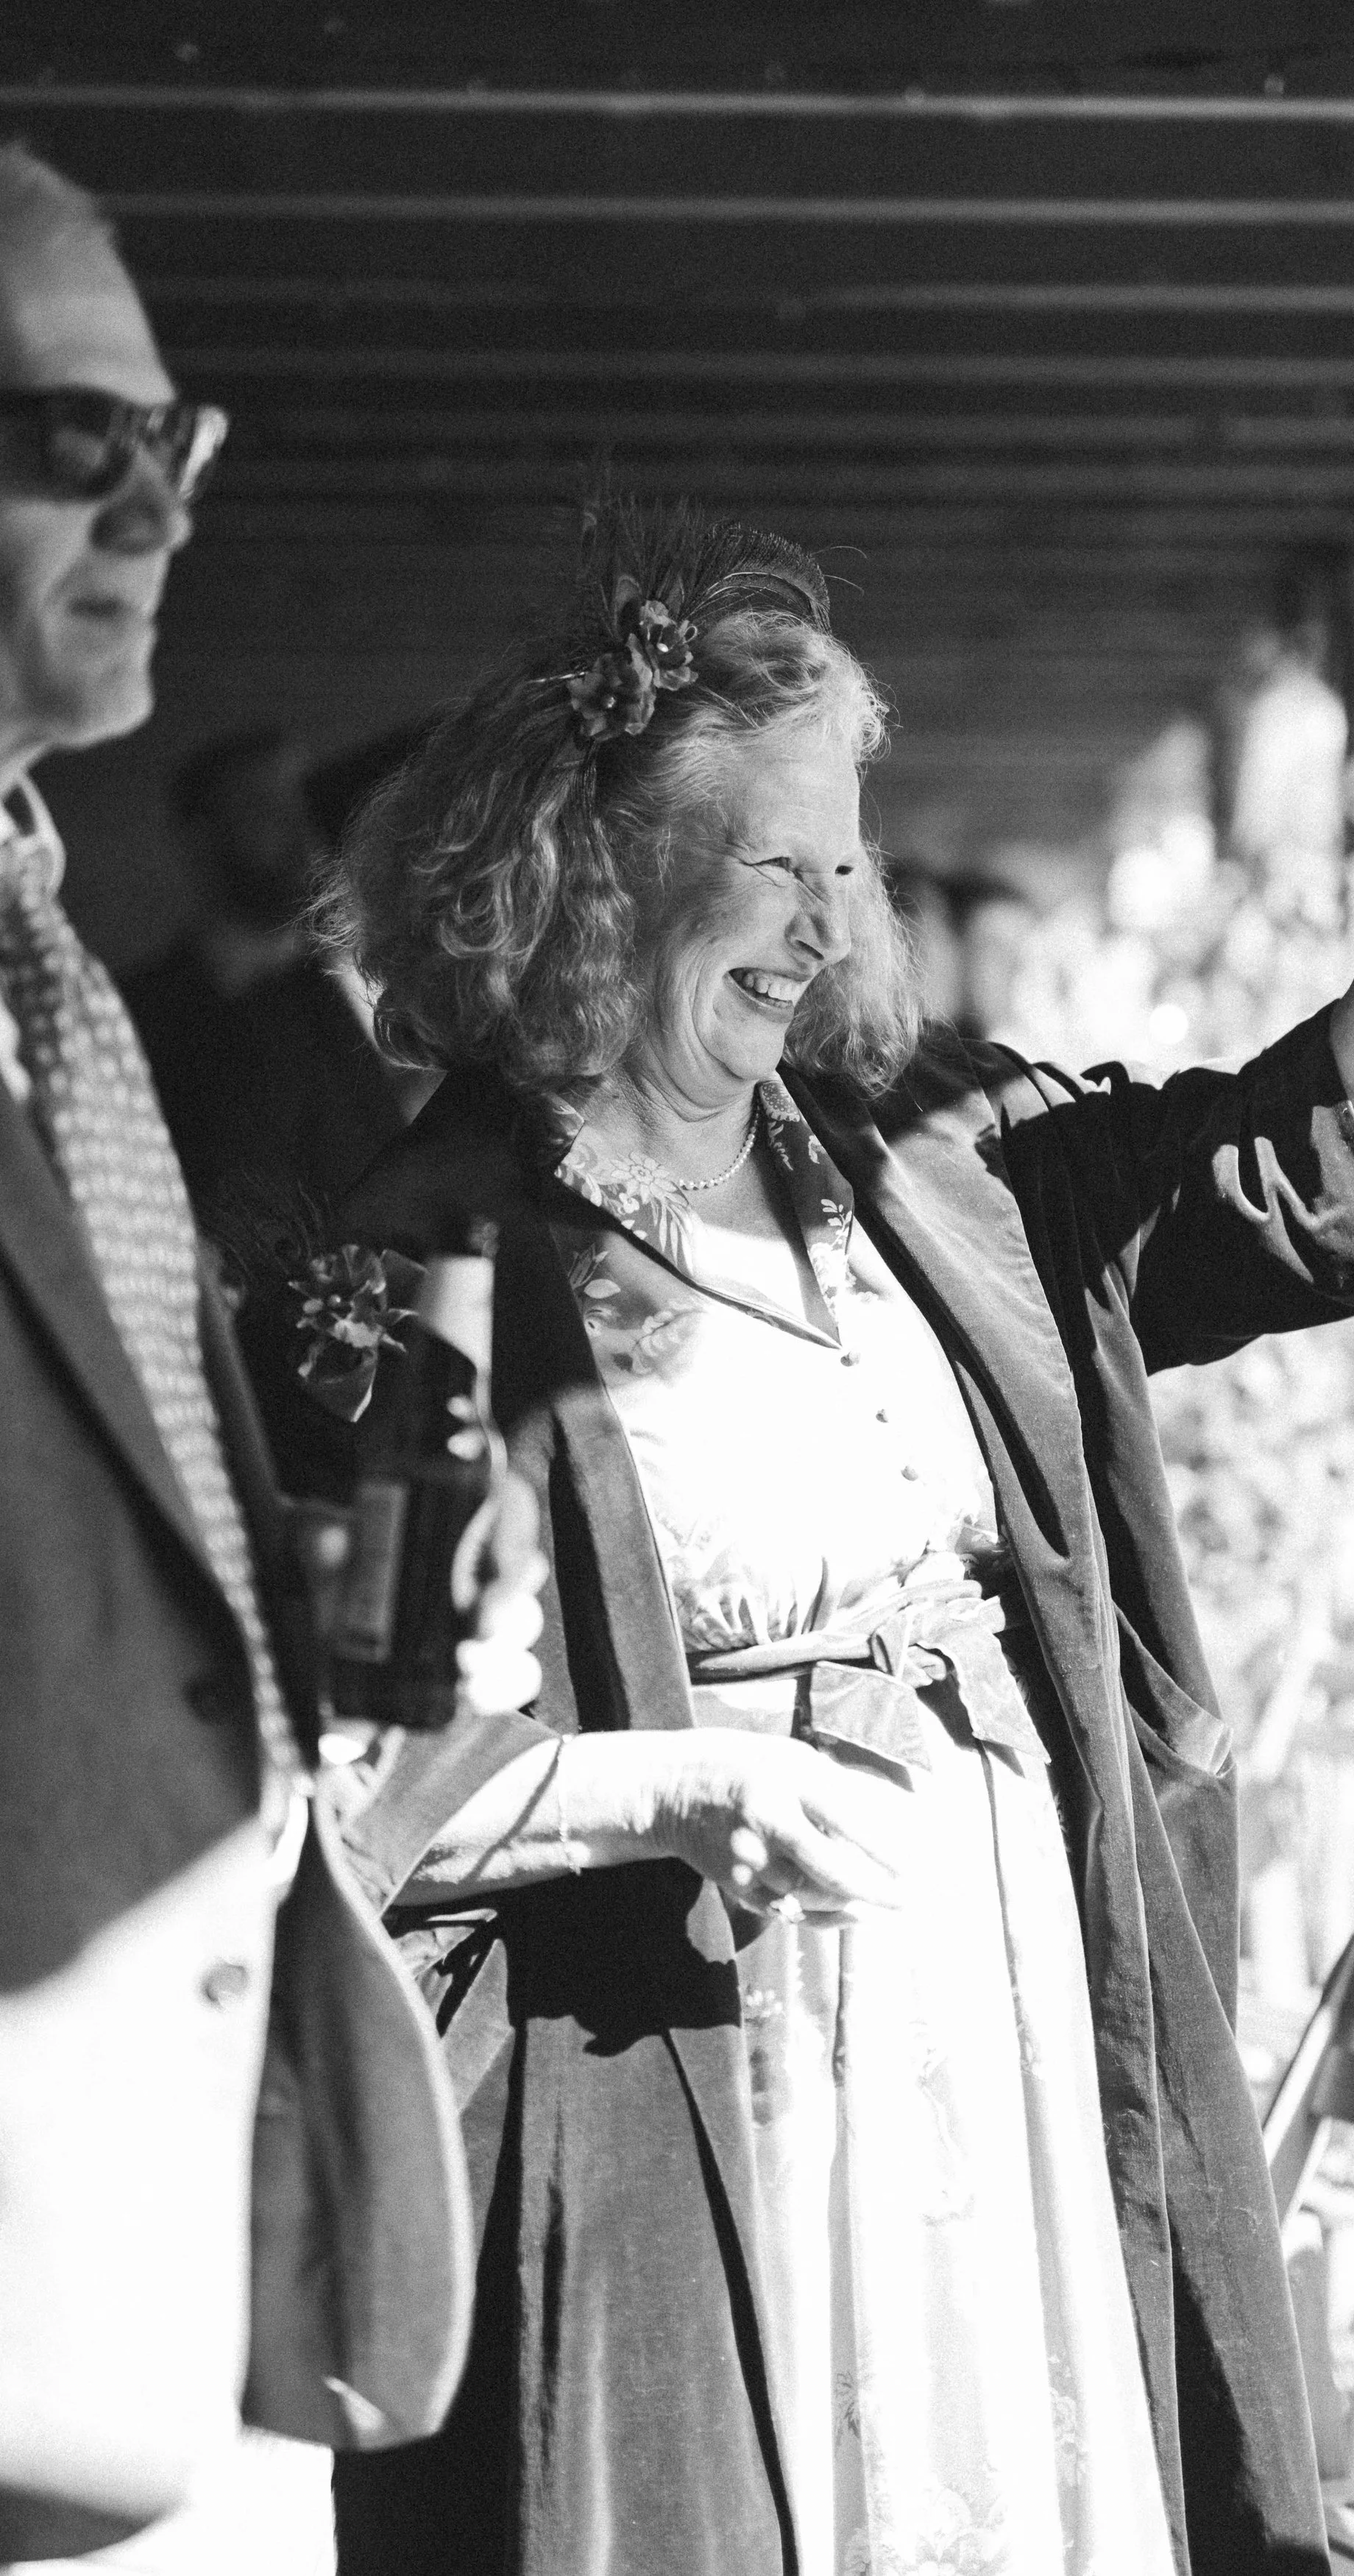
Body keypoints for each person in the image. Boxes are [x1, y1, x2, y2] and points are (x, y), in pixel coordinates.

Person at [301, 496, 1354, 2576]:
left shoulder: (926, 1162)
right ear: (597, 881)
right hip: (680, 2045)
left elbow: (1243, 1179)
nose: (823, 924)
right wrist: (681, 1781)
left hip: (996, 1980)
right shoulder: (425, 1257)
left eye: (844, 863)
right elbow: (348, 1774)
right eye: (768, 865)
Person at [0, 144, 544, 2569]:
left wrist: (293, 1569)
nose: (155, 509)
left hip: (184, 2270)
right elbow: (278, 1242)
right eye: (66, 441)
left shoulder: (54, 966)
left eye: (175, 448)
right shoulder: (199, 1028)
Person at [121, 728, 411, 1229]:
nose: (302, 834)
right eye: (264, 811)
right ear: (200, 838)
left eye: (303, 805)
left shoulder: (363, 988)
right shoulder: (138, 1012)